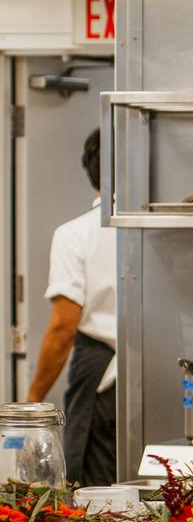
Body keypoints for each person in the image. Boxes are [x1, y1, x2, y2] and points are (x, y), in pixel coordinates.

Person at [27, 129, 117, 486]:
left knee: (96, 489)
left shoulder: (75, 234)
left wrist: (34, 399)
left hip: (100, 375)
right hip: (159, 369)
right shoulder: (158, 232)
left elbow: (63, 327)